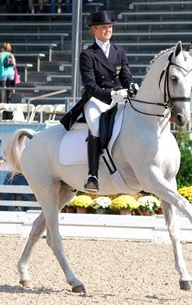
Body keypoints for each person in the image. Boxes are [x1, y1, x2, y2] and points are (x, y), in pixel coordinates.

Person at [60, 10, 138, 192]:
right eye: (104, 27)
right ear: (94, 30)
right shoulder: (88, 54)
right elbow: (90, 85)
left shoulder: (119, 50)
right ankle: (92, 175)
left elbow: (125, 75)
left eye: (110, 27)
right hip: (96, 99)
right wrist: (111, 94)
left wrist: (131, 85)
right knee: (95, 126)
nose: (108, 30)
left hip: (117, 98)